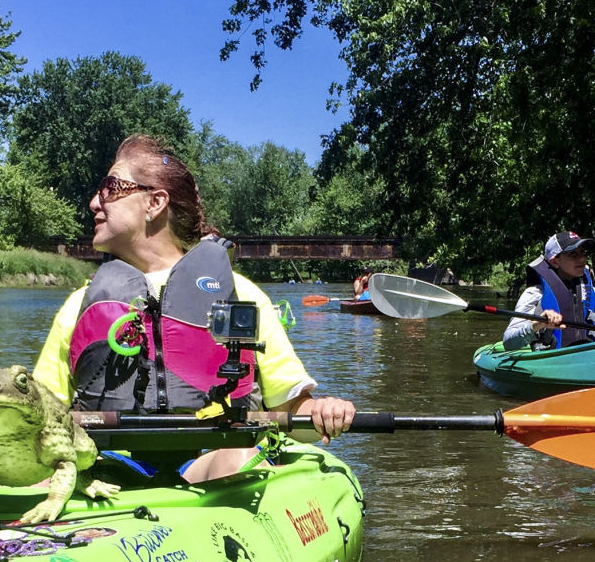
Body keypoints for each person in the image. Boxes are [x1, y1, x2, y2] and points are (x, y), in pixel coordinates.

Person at [32, 135, 354, 481]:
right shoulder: (79, 304)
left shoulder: (240, 294)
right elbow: (38, 413)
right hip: (106, 467)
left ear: (154, 202)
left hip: (213, 464)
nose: (95, 202)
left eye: (111, 188)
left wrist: (321, 411)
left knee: (240, 458)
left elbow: (292, 414)